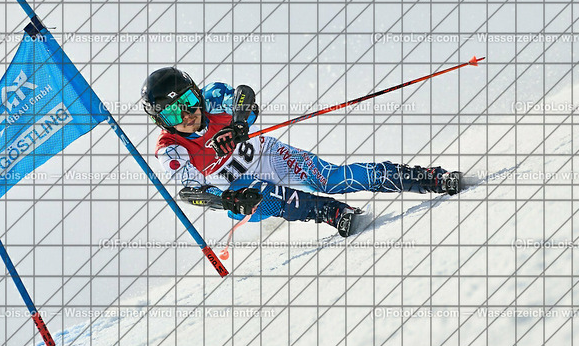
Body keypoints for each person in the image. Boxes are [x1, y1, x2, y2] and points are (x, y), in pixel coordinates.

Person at [142, 67, 461, 237]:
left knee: (333, 178)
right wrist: (226, 200)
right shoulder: (170, 149)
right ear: (161, 121)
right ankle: (332, 212)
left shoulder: (212, 96)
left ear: (196, 93)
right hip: (241, 191)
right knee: (262, 196)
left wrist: (238, 126)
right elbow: (190, 192)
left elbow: (245, 96)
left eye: (188, 102)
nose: (187, 115)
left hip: (268, 157)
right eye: (173, 113)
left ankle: (427, 178)